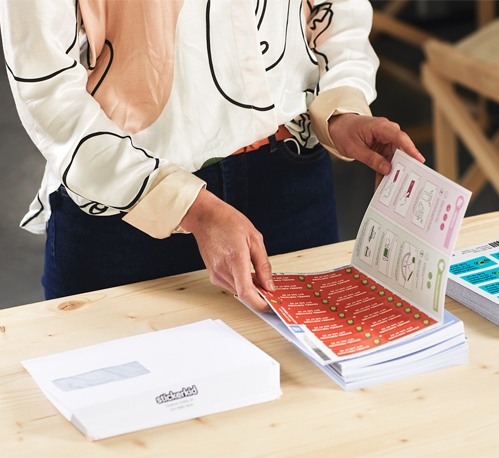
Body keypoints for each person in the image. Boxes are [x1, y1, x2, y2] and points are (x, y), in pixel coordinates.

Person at [0, 0, 424, 312]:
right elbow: (47, 85)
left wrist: (341, 109)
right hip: (122, 210)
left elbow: (338, 12)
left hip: (289, 183)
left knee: (311, 415)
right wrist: (189, 207)